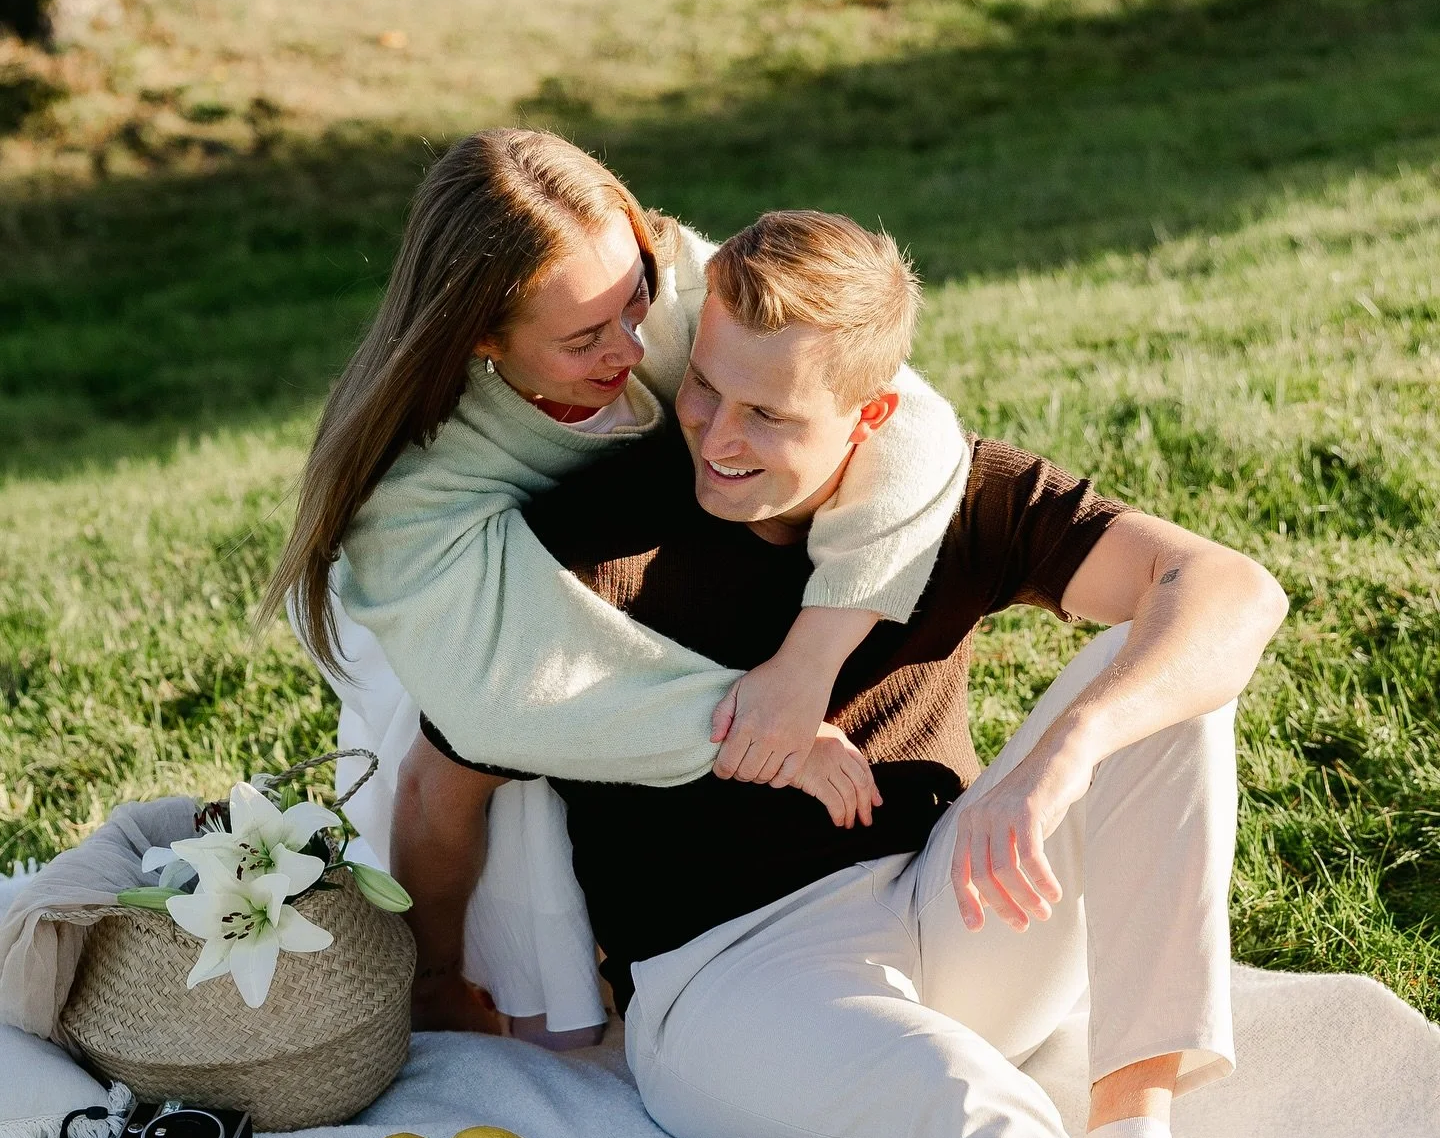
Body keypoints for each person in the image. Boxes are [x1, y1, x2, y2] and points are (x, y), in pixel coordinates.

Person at [408, 211, 1437, 1138]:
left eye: (770, 417)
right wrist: (431, 975)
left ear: (875, 416)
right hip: (732, 992)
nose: (718, 439)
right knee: (947, 1096)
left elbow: (1231, 590)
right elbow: (442, 782)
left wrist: (1052, 762)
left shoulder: (955, 495)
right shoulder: (590, 543)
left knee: (1156, 682)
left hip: (953, 907)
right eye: (707, 394)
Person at [261, 129, 969, 1037]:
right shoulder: (415, 476)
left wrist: (805, 663)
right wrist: (753, 726)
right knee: (466, 783)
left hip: (617, 578)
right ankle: (436, 977)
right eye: (583, 339)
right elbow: (493, 697)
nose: (633, 348)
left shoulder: (666, 282)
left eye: (634, 297)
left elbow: (912, 420)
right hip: (461, 624)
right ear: (481, 336)